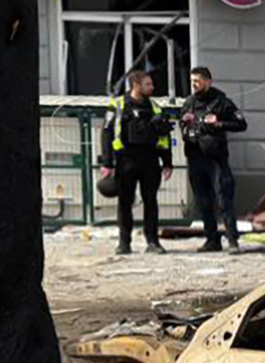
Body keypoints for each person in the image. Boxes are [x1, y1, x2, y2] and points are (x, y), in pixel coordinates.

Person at [100, 67, 173, 255]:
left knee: (151, 201)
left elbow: (164, 136)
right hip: (126, 160)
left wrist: (167, 163)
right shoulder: (118, 105)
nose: (152, 87)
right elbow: (107, 133)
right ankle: (124, 243)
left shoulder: (155, 107)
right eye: (148, 84)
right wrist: (107, 163)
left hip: (150, 160)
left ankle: (153, 242)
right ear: (136, 85)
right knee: (125, 202)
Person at [180, 66, 248, 252]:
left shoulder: (221, 102)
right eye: (192, 81)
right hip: (195, 157)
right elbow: (182, 125)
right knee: (203, 202)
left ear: (208, 82)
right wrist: (185, 122)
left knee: (224, 200)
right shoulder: (189, 103)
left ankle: (232, 240)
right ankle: (212, 240)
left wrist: (218, 123)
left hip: (216, 160)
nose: (194, 84)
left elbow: (241, 124)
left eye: (197, 81)